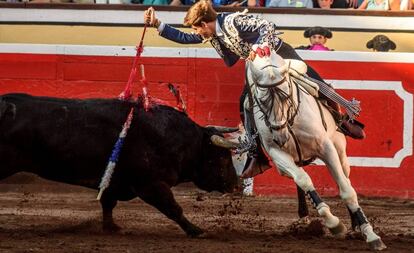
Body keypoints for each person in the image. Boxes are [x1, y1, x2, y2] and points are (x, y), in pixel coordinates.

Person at [144, 0, 365, 177]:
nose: (197, 33)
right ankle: (255, 150)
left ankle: (341, 119)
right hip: (257, 67)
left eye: (197, 29)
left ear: (204, 24)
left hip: (279, 55)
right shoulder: (214, 34)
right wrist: (158, 25)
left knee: (315, 82)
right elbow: (185, 38)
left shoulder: (232, 21)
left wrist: (259, 48)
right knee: (246, 103)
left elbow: (266, 26)